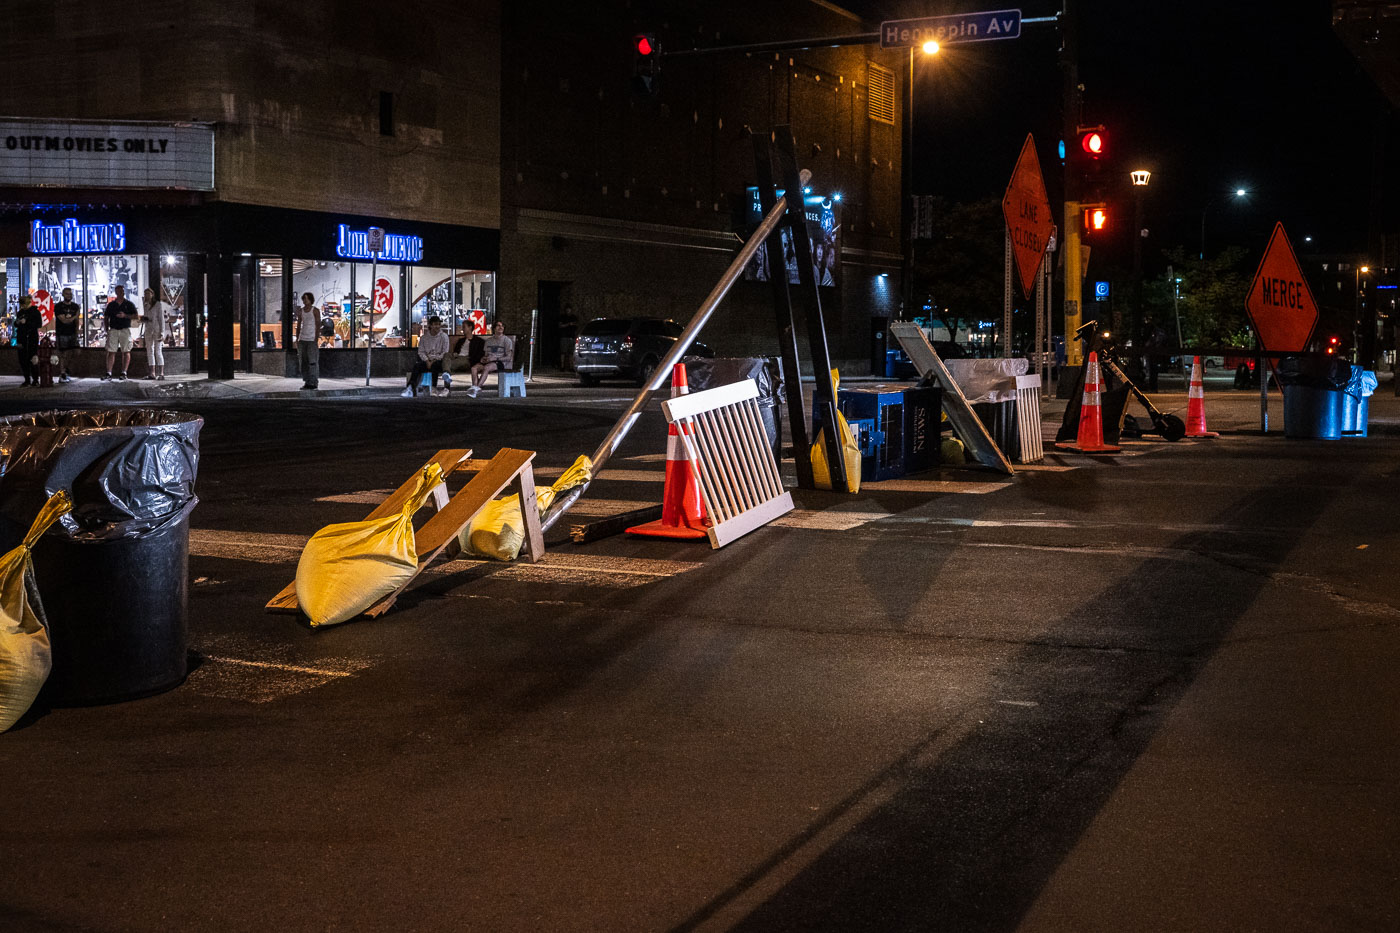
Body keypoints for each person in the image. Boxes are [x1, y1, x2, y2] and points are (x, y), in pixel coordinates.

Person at [403, 315, 449, 398]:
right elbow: (421, 352)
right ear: (430, 325)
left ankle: (434, 388)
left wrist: (434, 359)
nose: (437, 327)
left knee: (435, 366)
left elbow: (445, 352)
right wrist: (427, 360)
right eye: (435, 324)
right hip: (427, 361)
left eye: (438, 324)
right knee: (417, 367)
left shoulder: (444, 337)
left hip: (439, 361)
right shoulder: (424, 338)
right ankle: (410, 387)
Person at [471, 321, 514, 397]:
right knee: (474, 368)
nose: (501, 327)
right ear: (494, 328)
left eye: (502, 326)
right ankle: (475, 388)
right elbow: (486, 354)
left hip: (500, 361)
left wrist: (496, 358)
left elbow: (509, 357)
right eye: (498, 325)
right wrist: (483, 359)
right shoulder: (488, 341)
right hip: (489, 360)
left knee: (487, 367)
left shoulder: (507, 340)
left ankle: (477, 387)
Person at [103, 284, 137, 381]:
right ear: (116, 292)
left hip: (125, 329)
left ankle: (124, 372)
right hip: (113, 329)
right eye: (118, 291)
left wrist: (125, 315)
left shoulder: (129, 304)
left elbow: (135, 316)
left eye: (122, 291)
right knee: (111, 351)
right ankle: (109, 373)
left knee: (126, 351)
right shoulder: (111, 305)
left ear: (123, 292)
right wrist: (106, 329)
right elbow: (106, 317)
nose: (120, 293)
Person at [141, 287, 172, 380]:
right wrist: (144, 319)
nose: (146, 295)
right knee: (149, 350)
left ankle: (161, 373)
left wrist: (162, 332)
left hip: (156, 329)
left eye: (148, 294)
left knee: (158, 350)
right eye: (145, 294)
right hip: (148, 329)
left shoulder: (158, 304)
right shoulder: (145, 304)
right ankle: (152, 373)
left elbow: (161, 318)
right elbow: (146, 316)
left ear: (152, 294)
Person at [53, 287, 81, 382]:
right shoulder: (58, 307)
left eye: (70, 294)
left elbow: (77, 321)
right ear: (63, 294)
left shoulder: (75, 306)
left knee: (76, 352)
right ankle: (63, 373)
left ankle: (67, 369)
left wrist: (77, 332)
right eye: (67, 294)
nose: (69, 295)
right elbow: (63, 320)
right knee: (63, 353)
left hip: (72, 333)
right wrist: (75, 316)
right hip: (62, 333)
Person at [14, 295, 42, 387]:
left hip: (31, 337)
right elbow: (16, 323)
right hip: (22, 337)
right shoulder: (20, 313)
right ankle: (27, 379)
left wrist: (27, 323)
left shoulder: (35, 312)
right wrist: (18, 322)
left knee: (33, 358)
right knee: (23, 359)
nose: (23, 306)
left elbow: (38, 324)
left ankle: (35, 379)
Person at [296, 291, 320, 390]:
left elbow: (318, 324)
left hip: (311, 339)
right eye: (304, 299)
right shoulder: (301, 311)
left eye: (306, 298)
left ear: (310, 299)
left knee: (312, 361)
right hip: (303, 338)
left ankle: (313, 381)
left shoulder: (315, 310)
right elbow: (298, 325)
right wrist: (297, 338)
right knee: (304, 361)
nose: (305, 300)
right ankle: (307, 381)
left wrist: (316, 338)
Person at [558, 303, 578, 371]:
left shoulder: (574, 317)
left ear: (571, 310)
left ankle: (571, 367)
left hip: (571, 337)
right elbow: (560, 326)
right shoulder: (562, 317)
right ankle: (562, 366)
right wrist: (568, 324)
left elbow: (576, 325)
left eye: (569, 310)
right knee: (563, 352)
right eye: (567, 310)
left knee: (571, 353)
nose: (568, 311)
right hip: (564, 336)